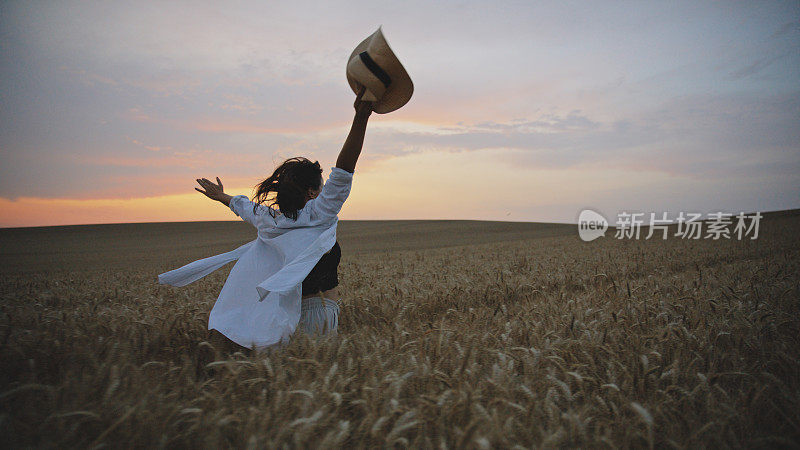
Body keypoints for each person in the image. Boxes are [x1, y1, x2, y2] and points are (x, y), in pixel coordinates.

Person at [158, 86, 373, 350]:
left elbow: (244, 207)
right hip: (321, 316)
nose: (326, 190)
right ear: (312, 192)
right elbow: (344, 171)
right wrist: (361, 118)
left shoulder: (270, 220)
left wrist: (222, 197)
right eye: (322, 187)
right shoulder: (320, 213)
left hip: (286, 318)